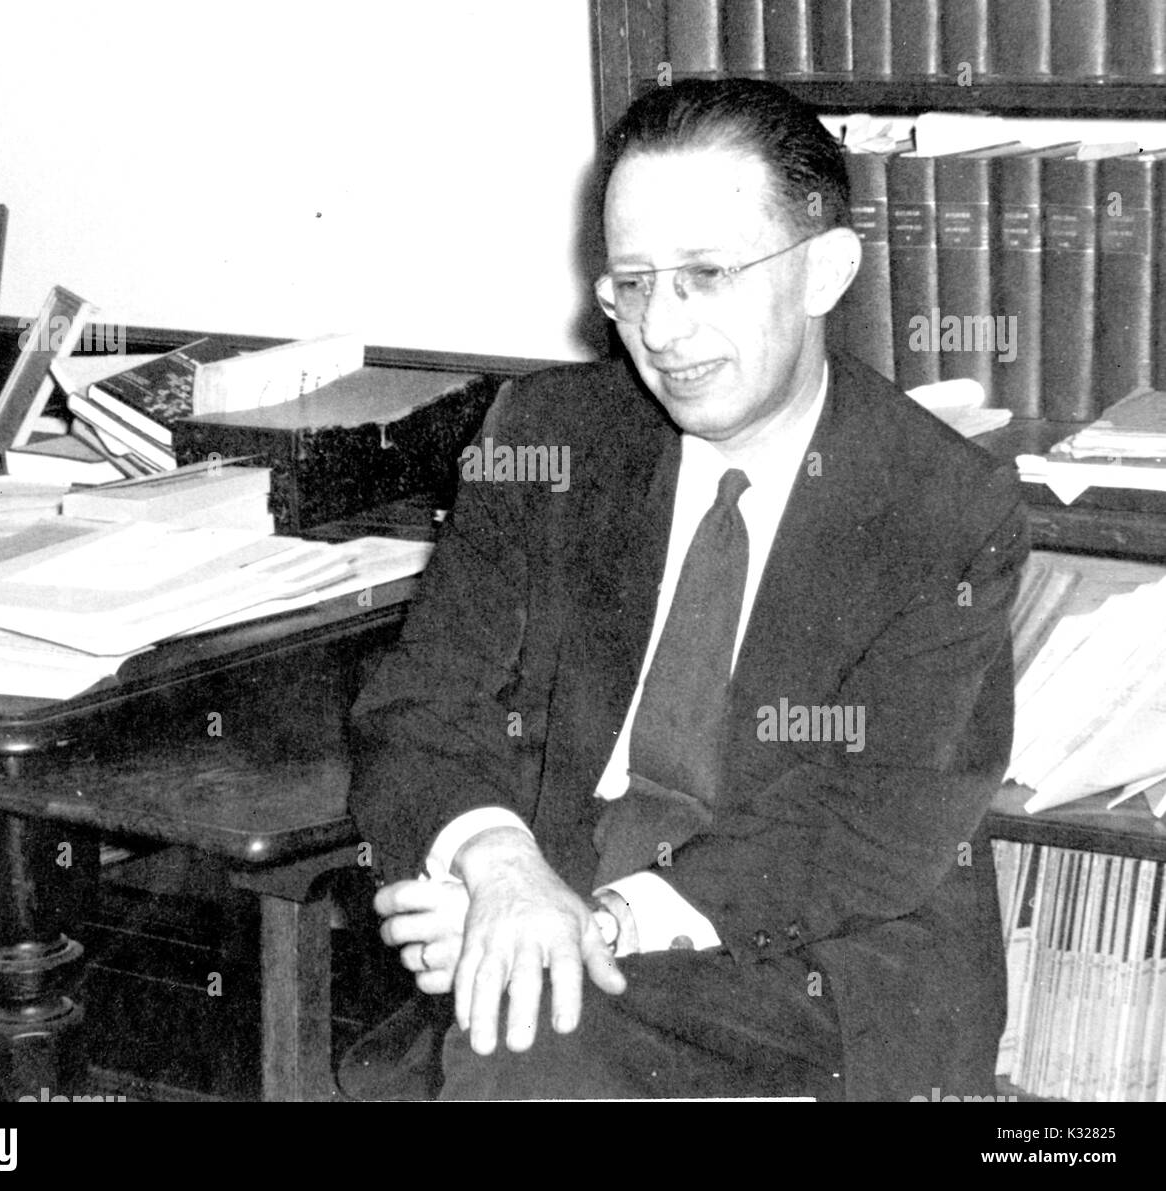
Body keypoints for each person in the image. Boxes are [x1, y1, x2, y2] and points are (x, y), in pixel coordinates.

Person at [347, 78, 1029, 1102]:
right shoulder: (546, 438)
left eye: (706, 275)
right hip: (556, 887)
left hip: (813, 954)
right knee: (526, 1025)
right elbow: (422, 701)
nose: (661, 329)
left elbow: (865, 820)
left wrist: (590, 923)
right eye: (631, 283)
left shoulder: (941, 501)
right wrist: (498, 872)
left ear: (824, 272)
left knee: (525, 1028)